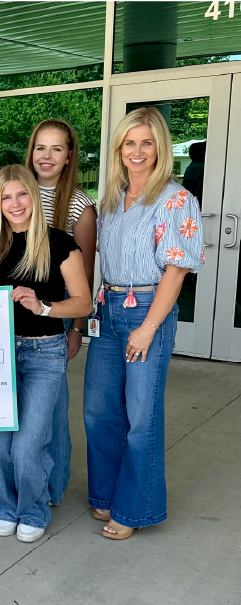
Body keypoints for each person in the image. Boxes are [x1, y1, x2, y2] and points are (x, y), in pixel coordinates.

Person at [84, 107, 204, 540]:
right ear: (119, 147)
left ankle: (135, 509)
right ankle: (106, 492)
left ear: (160, 149)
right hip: (108, 306)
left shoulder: (175, 199)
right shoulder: (112, 199)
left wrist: (149, 326)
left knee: (141, 415)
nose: (137, 151)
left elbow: (176, 270)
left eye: (147, 143)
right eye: (130, 142)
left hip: (146, 309)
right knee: (99, 410)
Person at [0, 164, 91, 543]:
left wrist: (43, 306)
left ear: (33, 196)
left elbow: (83, 303)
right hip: (0, 355)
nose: (15, 204)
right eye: (6, 197)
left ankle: (33, 509)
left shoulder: (59, 242)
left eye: (22, 194)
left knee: (28, 445)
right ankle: (5, 506)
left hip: (44, 353)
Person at [24, 119, 97, 506]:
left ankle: (52, 485)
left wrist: (76, 328)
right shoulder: (19, 194)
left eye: (56, 149)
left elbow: (83, 275)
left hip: (57, 313)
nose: (47, 156)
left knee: (52, 404)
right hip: (19, 310)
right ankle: (23, 469)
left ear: (69, 156)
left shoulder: (81, 205)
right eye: (40, 148)